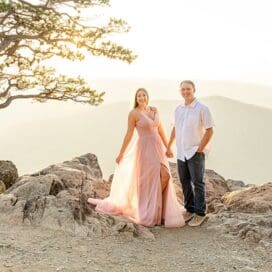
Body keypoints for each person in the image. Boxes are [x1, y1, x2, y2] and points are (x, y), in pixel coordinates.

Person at [88, 88, 184, 227]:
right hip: (144, 149)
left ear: (147, 97)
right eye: (139, 96)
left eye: (144, 95)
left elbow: (161, 130)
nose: (141, 97)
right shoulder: (133, 113)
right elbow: (129, 134)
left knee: (165, 175)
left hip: (157, 147)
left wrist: (168, 147)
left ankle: (158, 208)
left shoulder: (154, 110)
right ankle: (149, 210)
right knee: (151, 179)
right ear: (136, 98)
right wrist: (121, 153)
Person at [167, 80, 215, 227]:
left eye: (188, 89)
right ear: (180, 91)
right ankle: (190, 209)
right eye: (183, 89)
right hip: (181, 152)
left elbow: (209, 130)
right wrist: (169, 146)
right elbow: (175, 129)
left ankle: (200, 213)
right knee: (185, 182)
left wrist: (200, 148)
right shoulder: (178, 109)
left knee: (198, 183)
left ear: (194, 90)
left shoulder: (202, 108)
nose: (185, 91)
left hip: (194, 151)